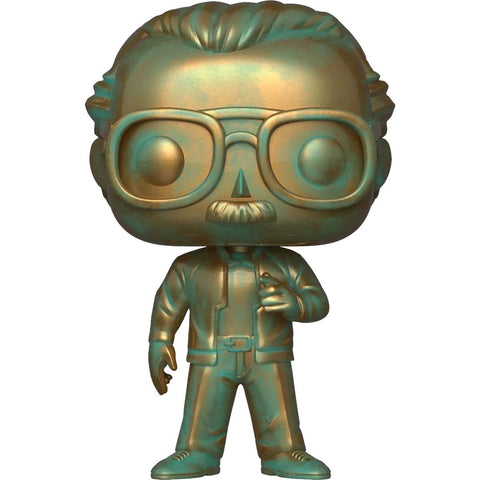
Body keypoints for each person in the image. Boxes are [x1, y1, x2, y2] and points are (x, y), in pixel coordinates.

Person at [86, 2, 394, 478]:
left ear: (379, 164)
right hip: (210, 353)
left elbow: (317, 303)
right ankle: (197, 451)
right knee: (203, 405)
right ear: (102, 167)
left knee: (276, 404)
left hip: (267, 352)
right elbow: (169, 304)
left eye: (313, 155)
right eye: (167, 156)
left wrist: (293, 303)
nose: (241, 188)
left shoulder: (283, 266)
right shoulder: (191, 269)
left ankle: (283, 450)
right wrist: (159, 339)